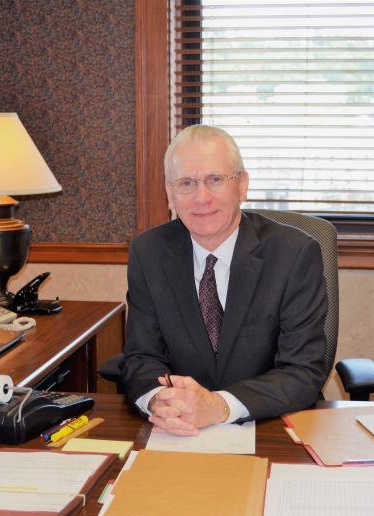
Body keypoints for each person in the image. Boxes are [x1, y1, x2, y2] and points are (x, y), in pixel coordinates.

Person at [120, 124, 328, 436]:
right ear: (170, 194)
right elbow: (141, 357)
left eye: (215, 179)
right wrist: (159, 400)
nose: (201, 198)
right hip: (179, 435)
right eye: (186, 183)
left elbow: (302, 372)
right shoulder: (148, 252)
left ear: (242, 185)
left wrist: (219, 407)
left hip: (270, 428)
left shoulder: (294, 254)